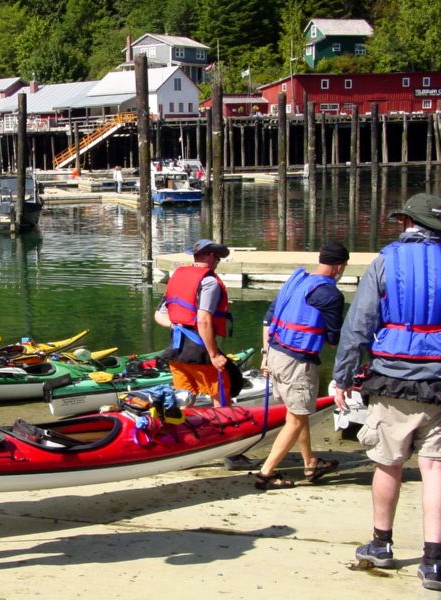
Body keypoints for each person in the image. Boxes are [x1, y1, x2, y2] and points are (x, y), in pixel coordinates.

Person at [333, 193, 441, 592]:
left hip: (393, 379)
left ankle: (381, 544)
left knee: (388, 463)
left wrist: (342, 376)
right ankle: (433, 562)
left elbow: (358, 325)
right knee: (435, 470)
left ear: (405, 224)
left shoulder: (385, 261)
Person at [253, 241, 348, 490]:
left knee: (297, 413)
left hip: (275, 354)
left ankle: (310, 463)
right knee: (296, 419)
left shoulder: (297, 281)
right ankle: (265, 474)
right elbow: (332, 340)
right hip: (297, 362)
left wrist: (265, 355)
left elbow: (268, 318)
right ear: (340, 266)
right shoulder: (330, 294)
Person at [155, 238, 256, 471]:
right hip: (200, 351)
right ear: (210, 257)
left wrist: (177, 326)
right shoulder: (209, 282)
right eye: (218, 259)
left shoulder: (177, 277)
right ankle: (232, 454)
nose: (218, 263)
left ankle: (183, 449)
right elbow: (203, 319)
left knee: (185, 400)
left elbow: (159, 315)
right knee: (222, 399)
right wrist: (213, 354)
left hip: (176, 351)